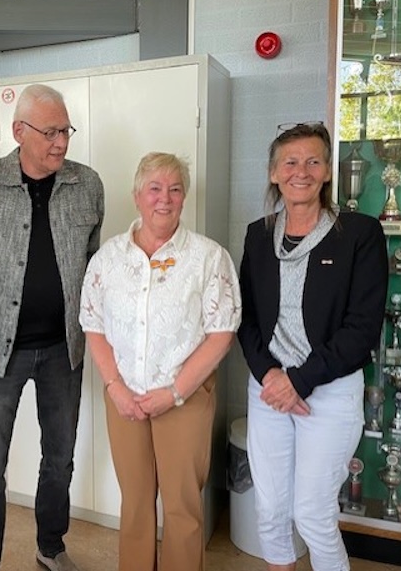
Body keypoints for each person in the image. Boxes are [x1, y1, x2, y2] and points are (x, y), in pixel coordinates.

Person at [0, 84, 104, 571]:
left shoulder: (87, 184)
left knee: (59, 458)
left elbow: (92, 259)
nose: (61, 142)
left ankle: (50, 546)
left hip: (64, 349)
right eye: (50, 132)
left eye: (66, 131)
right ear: (19, 131)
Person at [79, 152, 241, 571]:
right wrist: (115, 387)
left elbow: (221, 333)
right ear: (137, 195)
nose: (164, 199)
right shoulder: (108, 259)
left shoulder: (208, 257)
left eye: (174, 189)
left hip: (184, 398)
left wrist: (174, 393)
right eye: (154, 188)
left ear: (184, 197)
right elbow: (93, 325)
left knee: (182, 507)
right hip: (124, 398)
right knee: (134, 502)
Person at [237, 122, 388, 571]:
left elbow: (363, 328)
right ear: (273, 173)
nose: (300, 171)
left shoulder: (360, 234)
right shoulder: (258, 235)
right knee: (271, 510)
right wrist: (271, 376)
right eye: (289, 162)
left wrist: (299, 381)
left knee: (313, 515)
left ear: (327, 172)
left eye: (312, 161)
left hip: (329, 389)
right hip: (269, 389)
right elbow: (246, 318)